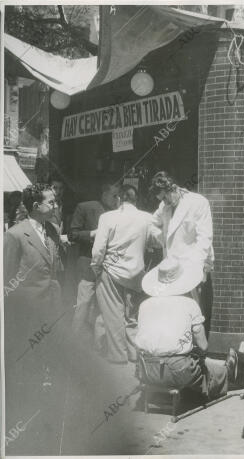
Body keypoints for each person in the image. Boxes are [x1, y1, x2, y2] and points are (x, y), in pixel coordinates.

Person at [4, 184, 65, 453]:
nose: (55, 205)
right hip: (26, 313)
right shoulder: (15, 235)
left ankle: (42, 414)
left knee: (46, 362)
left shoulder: (51, 231)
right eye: (50, 202)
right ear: (34, 206)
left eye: (54, 201)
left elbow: (56, 268)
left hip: (50, 308)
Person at [135, 257, 244, 397]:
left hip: (145, 369)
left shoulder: (144, 305)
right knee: (203, 366)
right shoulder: (189, 304)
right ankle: (227, 374)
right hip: (178, 371)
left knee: (186, 357)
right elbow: (203, 345)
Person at [91, 184, 153, 364]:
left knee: (113, 314)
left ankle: (118, 356)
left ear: (119, 199)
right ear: (136, 200)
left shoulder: (107, 217)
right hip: (136, 274)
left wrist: (96, 267)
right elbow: (158, 241)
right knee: (132, 315)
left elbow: (99, 249)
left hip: (111, 271)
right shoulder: (146, 218)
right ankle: (135, 353)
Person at [149, 171, 214, 337]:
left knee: (196, 313)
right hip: (172, 268)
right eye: (161, 200)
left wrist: (196, 268)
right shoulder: (164, 206)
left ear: (173, 188)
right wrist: (161, 238)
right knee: (176, 311)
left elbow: (204, 237)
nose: (164, 203)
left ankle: (198, 352)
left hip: (193, 265)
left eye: (165, 198)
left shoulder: (198, 202)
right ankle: (179, 350)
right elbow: (152, 224)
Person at [69, 179, 120, 342]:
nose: (117, 200)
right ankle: (74, 341)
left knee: (103, 306)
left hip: (110, 265)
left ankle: (99, 344)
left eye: (119, 196)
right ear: (104, 194)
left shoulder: (119, 212)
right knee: (84, 303)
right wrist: (93, 233)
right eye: (114, 195)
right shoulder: (85, 207)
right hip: (88, 263)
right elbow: (72, 235)